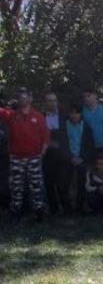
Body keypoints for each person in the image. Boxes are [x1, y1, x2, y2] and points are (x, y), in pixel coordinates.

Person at [0, 88, 50, 220]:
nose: (22, 98)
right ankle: (16, 211)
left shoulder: (38, 116)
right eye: (20, 96)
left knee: (36, 186)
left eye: (24, 96)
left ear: (30, 98)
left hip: (34, 157)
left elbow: (45, 137)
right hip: (16, 158)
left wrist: (41, 154)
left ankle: (39, 212)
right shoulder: (11, 115)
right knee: (16, 186)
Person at [42, 91, 71, 215]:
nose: (52, 103)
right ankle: (54, 210)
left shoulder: (65, 117)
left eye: (54, 100)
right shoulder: (40, 117)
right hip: (47, 156)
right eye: (49, 100)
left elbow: (70, 136)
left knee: (62, 184)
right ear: (45, 103)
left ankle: (67, 210)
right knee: (48, 184)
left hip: (62, 156)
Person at [63, 104, 96, 214]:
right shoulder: (64, 126)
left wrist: (82, 157)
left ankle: (80, 207)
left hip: (81, 160)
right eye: (72, 112)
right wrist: (70, 157)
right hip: (68, 159)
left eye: (76, 112)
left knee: (82, 184)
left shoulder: (86, 127)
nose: (74, 115)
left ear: (80, 113)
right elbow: (62, 144)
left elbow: (90, 145)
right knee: (65, 184)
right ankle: (67, 208)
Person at [82, 88, 103, 160]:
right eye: (84, 97)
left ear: (95, 96)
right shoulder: (82, 110)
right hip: (89, 146)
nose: (86, 98)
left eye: (88, 96)